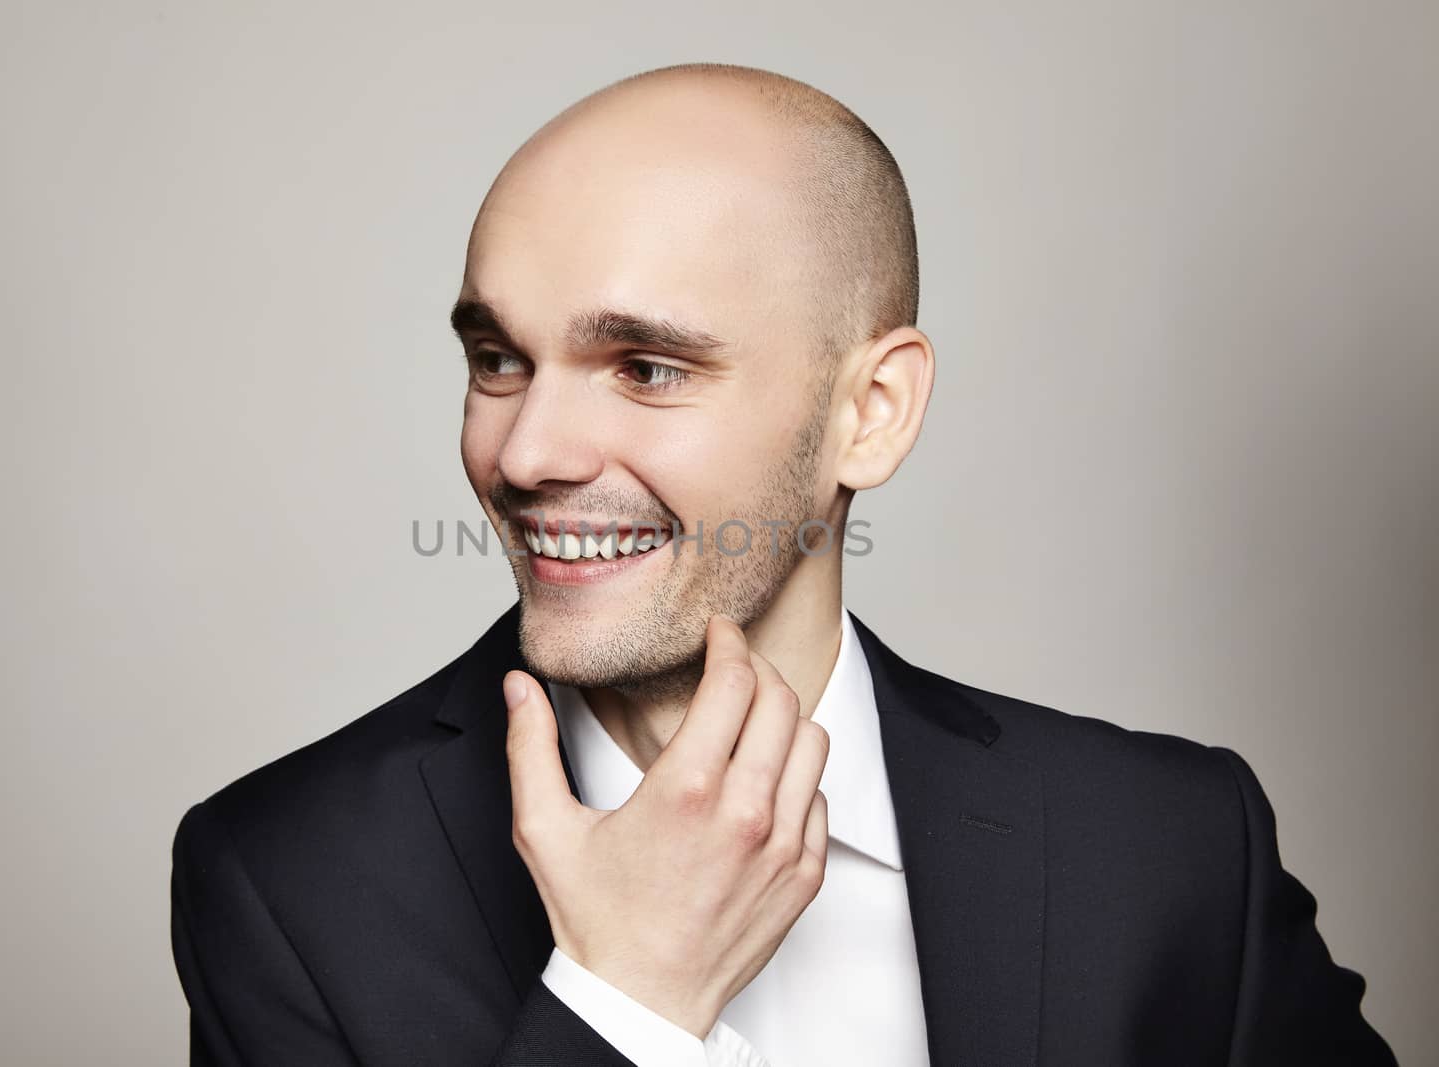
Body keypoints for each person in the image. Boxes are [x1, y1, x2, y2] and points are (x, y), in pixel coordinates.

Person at [169, 62, 1397, 1065]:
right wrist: (624, 1002)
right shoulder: (288, 880)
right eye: (498, 359)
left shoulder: (1166, 847)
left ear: (871, 410)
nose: (524, 450)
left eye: (646, 367)